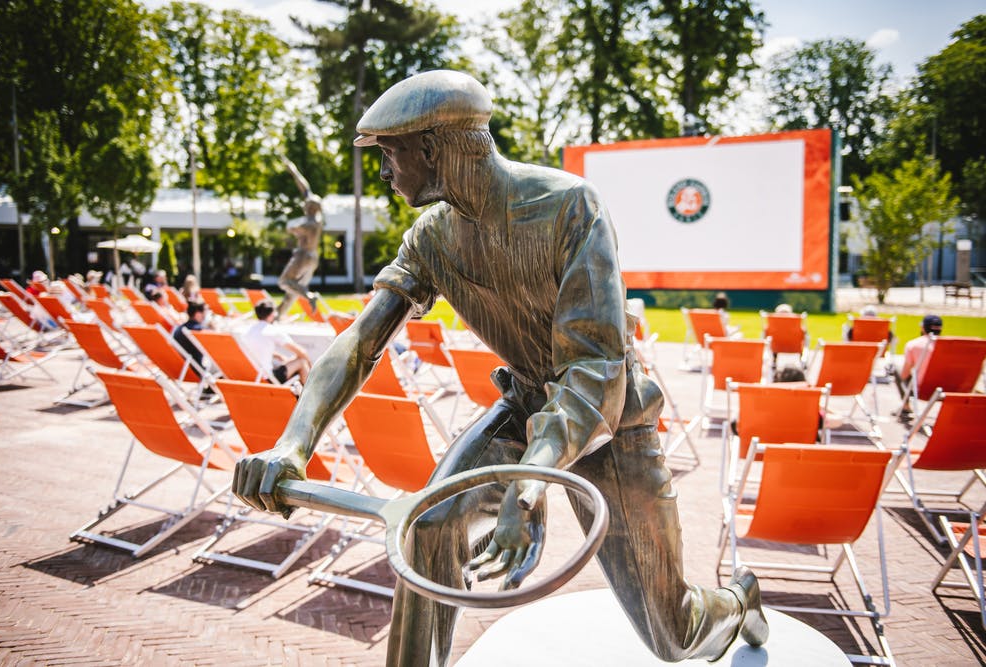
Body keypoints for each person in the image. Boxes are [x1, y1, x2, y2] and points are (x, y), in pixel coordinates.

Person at [232, 70, 766, 666]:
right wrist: (291, 443)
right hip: (527, 408)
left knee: (675, 636)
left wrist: (531, 480)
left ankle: (738, 601)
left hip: (611, 420)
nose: (384, 172)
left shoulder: (569, 205)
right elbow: (361, 340)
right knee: (427, 524)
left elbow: (595, 370)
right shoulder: (431, 236)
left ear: (432, 149)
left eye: (391, 153)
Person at [275, 156, 325, 320]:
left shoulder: (309, 223)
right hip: (313, 257)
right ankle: (279, 315)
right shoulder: (318, 218)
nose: (304, 204)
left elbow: (290, 228)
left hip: (303, 256)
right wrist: (293, 169)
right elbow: (304, 187)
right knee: (294, 289)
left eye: (306, 204)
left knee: (284, 282)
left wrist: (293, 229)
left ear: (310, 207)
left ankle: (310, 296)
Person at [240, 299, 312, 384]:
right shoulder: (272, 330)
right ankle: (310, 394)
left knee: (288, 362)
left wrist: (278, 355)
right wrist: (311, 367)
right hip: (267, 379)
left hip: (251, 376)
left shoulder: (248, 331)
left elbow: (256, 348)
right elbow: (302, 352)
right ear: (271, 314)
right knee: (301, 361)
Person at [892, 314, 943, 418]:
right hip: (949, 390)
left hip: (922, 390)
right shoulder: (951, 346)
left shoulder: (914, 345)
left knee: (895, 369)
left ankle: (906, 406)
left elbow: (904, 375)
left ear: (923, 327)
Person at [172, 300, 208, 370]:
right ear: (198, 314)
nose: (206, 315)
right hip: (197, 368)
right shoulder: (198, 331)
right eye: (205, 312)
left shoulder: (179, 329)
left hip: (181, 368)